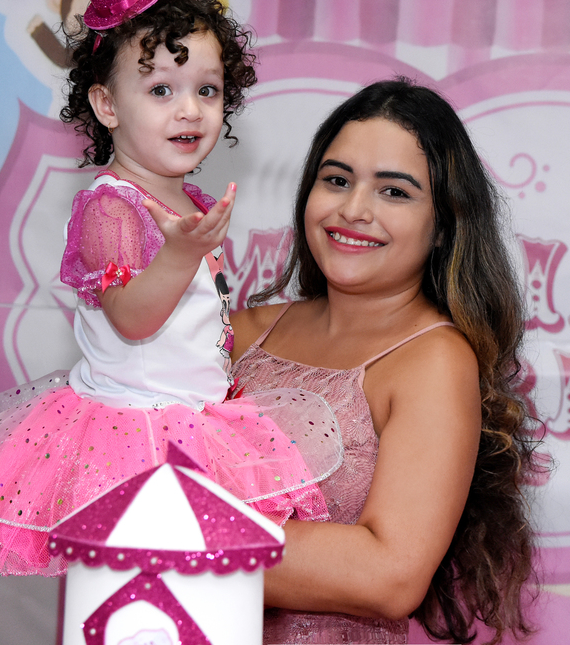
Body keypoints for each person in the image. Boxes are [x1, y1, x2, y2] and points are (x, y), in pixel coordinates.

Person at [0, 0, 341, 577]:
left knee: (194, 586)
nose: (190, 109)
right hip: (131, 437)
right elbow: (133, 318)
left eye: (207, 90)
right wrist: (183, 252)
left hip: (193, 422)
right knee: (136, 588)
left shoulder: (188, 200)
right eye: (161, 89)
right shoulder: (111, 206)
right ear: (107, 106)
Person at [228, 78, 540, 644]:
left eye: (394, 192)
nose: (354, 209)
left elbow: (389, 575)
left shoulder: (433, 360)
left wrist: (179, 536)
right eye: (337, 180)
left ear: (444, 225)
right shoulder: (238, 333)